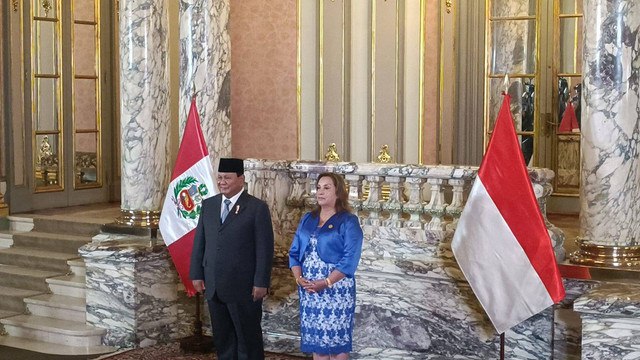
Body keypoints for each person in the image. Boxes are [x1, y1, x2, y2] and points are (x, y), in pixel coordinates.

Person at [190, 158, 274, 360]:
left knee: (247, 338)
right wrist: (196, 274)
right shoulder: (209, 205)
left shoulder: (256, 208)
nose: (222, 182)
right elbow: (200, 242)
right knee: (223, 338)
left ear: (241, 179)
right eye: (219, 178)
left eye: (227, 178)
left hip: (244, 287)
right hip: (214, 285)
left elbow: (265, 248)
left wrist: (261, 282)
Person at [288, 172, 364, 359]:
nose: (320, 192)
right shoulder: (308, 218)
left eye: (327, 188)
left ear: (338, 193)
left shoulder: (348, 221)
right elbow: (294, 253)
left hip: (336, 290)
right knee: (318, 344)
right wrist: (299, 279)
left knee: (337, 346)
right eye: (319, 187)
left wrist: (327, 282)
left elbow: (350, 260)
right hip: (309, 289)